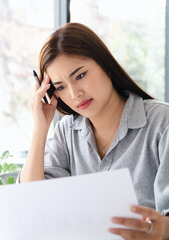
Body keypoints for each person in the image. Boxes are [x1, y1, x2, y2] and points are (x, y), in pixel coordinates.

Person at [19, 22, 169, 239]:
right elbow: (31, 203)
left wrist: (162, 228)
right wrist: (40, 129)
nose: (75, 93)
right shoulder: (66, 132)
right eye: (60, 86)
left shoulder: (162, 123)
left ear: (105, 64)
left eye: (80, 76)